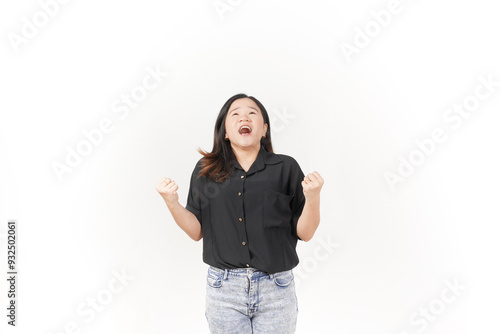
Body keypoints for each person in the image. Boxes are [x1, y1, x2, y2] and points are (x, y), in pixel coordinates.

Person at [155, 93, 323, 333]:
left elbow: (305, 233)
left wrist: (313, 197)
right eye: (235, 114)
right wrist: (171, 202)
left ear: (264, 129)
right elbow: (196, 232)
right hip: (224, 289)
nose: (244, 117)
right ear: (225, 131)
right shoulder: (206, 170)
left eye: (252, 113)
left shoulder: (286, 168)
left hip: (276, 288)